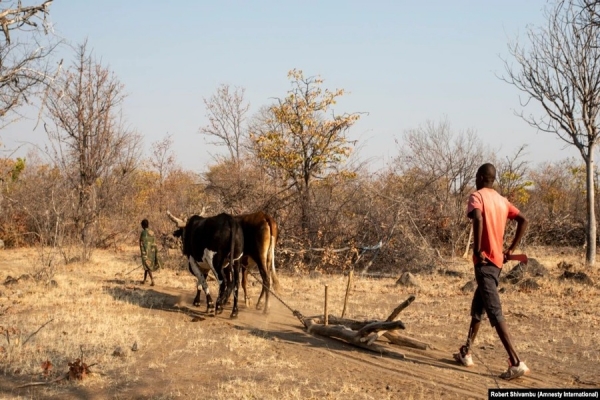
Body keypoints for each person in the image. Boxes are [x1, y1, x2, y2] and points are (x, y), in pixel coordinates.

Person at [454, 163, 530, 380]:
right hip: (496, 263)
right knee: (479, 306)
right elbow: (523, 220)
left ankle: (516, 362)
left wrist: (478, 249)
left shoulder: (476, 196)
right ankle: (466, 352)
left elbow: (477, 217)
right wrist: (511, 249)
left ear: (479, 177)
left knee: (494, 311)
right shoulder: (502, 200)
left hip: (484, 263)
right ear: (493, 179)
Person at [139, 219, 161, 286]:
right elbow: (154, 243)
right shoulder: (152, 232)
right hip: (152, 252)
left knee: (147, 267)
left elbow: (141, 243)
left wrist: (142, 252)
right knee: (146, 267)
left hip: (145, 252)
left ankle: (152, 280)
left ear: (143, 225)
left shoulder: (143, 233)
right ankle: (144, 280)